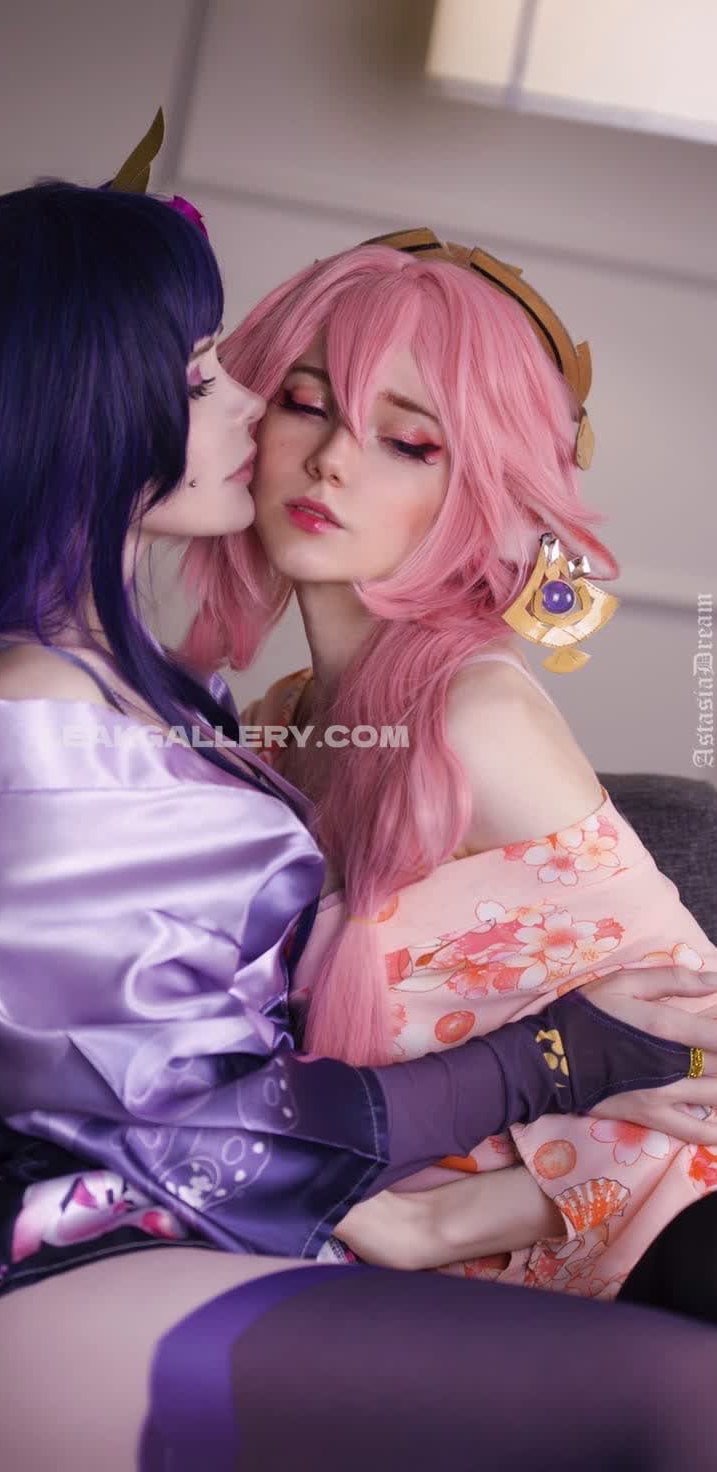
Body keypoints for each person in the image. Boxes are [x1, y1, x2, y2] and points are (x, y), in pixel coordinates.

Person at [0, 138, 717, 1471]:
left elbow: (678, 1023)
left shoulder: (225, 710)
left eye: (406, 440)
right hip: (67, 1261)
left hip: (227, 1248)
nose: (295, 443)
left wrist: (459, 1196)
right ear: (80, 414)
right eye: (253, 389)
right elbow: (158, 1097)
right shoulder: (69, 704)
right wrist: (501, 1114)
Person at [179, 229, 717, 1310]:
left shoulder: (473, 720)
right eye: (306, 404)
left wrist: (434, 1223)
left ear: (479, 490)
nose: (333, 460)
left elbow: (697, 1047)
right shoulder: (284, 722)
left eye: (408, 442)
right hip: (455, 1285)